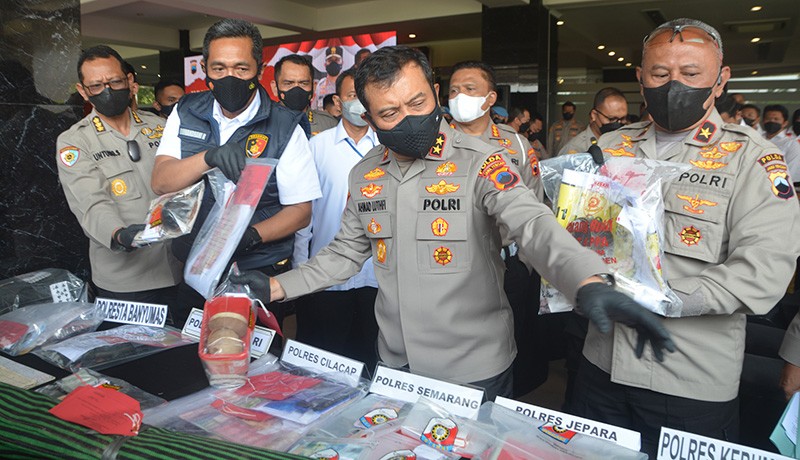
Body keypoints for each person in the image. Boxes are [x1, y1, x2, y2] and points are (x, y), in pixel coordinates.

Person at [231, 45, 674, 402]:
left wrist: (588, 280)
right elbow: (345, 253)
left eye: (418, 102)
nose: (408, 118)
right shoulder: (365, 173)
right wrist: (272, 288)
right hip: (395, 362)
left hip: (472, 369)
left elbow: (532, 223)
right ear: (369, 118)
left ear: (436, 94)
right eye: (390, 113)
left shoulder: (483, 162)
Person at [577, 18, 800, 457]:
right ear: (641, 80)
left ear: (721, 80)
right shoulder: (611, 146)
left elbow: (764, 269)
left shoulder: (754, 160)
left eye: (691, 73)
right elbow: (579, 236)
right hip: (599, 362)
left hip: (688, 377)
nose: (673, 84)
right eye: (660, 74)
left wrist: (665, 300)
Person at [150, 19, 322, 327]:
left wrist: (250, 236)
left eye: (241, 69)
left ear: (259, 67)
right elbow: (162, 181)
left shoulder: (285, 126)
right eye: (219, 68)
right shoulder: (186, 110)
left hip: (256, 272)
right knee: (190, 357)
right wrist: (209, 157)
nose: (230, 77)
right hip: (194, 266)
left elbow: (301, 212)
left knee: (254, 364)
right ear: (205, 68)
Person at [446, 59, 546, 396]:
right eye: (454, 90)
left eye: (470, 89)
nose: (460, 97)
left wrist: (527, 263)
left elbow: (535, 200)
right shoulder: (436, 143)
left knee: (512, 340)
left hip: (508, 261)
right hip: (454, 261)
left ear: (490, 99)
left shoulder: (515, 144)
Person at [57, 45, 181, 310]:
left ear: (130, 82)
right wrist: (119, 235)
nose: (107, 90)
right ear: (83, 91)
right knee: (136, 350)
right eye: (96, 86)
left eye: (114, 81)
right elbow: (89, 200)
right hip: (127, 280)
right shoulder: (75, 140)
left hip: (179, 266)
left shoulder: (160, 127)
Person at [293, 68, 380, 371]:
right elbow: (305, 213)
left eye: (364, 97)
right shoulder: (317, 146)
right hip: (325, 276)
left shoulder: (387, 147)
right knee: (324, 360)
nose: (358, 104)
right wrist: (300, 267)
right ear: (338, 101)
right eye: (352, 96)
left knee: (370, 358)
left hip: (376, 276)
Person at [271, 54, 337, 137]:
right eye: (288, 83)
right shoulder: (262, 125)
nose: (296, 89)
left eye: (303, 83)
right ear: (275, 88)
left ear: (314, 87)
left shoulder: (329, 125)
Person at [559, 88, 628, 156]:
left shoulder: (626, 144)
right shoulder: (575, 150)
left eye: (623, 118)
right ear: (594, 115)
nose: (618, 123)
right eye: (612, 119)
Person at [762, 104, 800, 180]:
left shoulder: (791, 144)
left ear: (785, 123)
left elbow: (790, 171)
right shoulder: (755, 139)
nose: (772, 121)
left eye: (776, 119)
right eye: (768, 119)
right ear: (763, 121)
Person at [313, 45, 343, 110]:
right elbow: (314, 109)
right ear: (325, 64)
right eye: (330, 60)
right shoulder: (320, 85)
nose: (333, 63)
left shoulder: (347, 84)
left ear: (342, 63)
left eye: (336, 60)